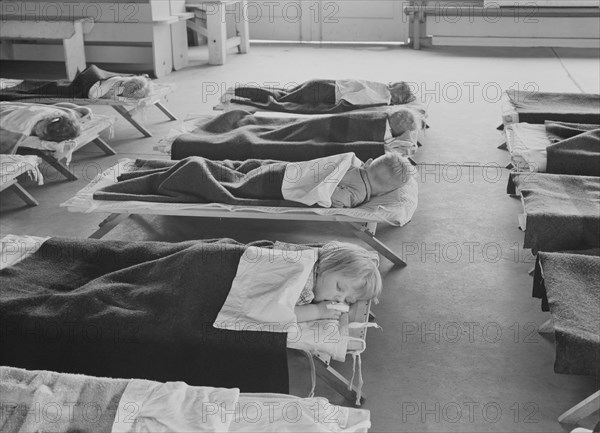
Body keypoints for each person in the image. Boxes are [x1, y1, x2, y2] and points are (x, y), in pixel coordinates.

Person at [294, 242, 382, 322]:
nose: (340, 299)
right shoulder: (304, 288)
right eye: (339, 287)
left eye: (347, 300)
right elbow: (284, 315)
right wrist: (318, 311)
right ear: (323, 266)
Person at [234, 79, 416, 106]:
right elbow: (350, 100)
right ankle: (245, 94)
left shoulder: (380, 86)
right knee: (281, 101)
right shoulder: (383, 97)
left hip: (321, 83)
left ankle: (241, 89)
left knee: (286, 93)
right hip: (325, 93)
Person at [331, 152, 412, 208]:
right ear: (382, 193)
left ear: (367, 163)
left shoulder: (353, 166)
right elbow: (335, 198)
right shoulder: (359, 194)